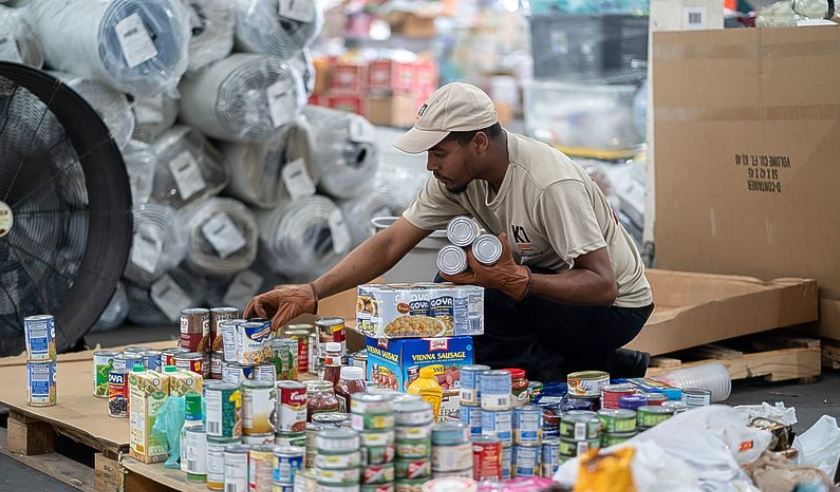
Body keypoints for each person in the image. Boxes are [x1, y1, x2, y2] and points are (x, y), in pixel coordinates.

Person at [245, 82, 654, 381]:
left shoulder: (548, 184)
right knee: (450, 291)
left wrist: (520, 281)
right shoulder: (457, 178)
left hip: (614, 310)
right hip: (556, 296)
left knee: (479, 300)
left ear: (478, 143)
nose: (430, 165)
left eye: (439, 152)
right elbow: (391, 241)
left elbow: (603, 286)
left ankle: (569, 368)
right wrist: (312, 291)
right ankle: (595, 362)